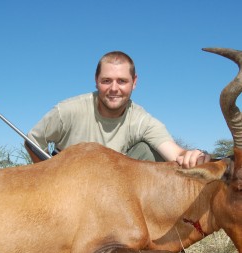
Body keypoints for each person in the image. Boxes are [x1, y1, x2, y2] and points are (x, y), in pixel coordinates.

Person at [26, 51, 210, 168]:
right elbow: (32, 141)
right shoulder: (67, 111)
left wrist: (195, 156)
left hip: (111, 193)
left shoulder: (141, 119)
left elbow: (176, 154)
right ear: (96, 80)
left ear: (134, 82)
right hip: (68, 189)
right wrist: (49, 174)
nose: (114, 88)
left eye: (122, 81)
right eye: (106, 81)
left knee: (149, 152)